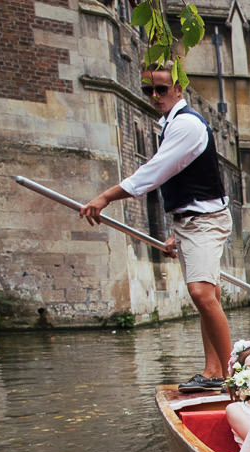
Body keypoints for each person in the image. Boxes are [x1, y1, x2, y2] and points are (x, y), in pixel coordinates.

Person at [81, 65, 232, 393]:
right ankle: (214, 371)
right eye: (149, 90)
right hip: (192, 222)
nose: (154, 96)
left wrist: (105, 197)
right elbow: (185, 182)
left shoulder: (187, 125)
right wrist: (178, 234)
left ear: (178, 88)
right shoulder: (172, 125)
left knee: (202, 294)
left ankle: (235, 379)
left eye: (161, 89)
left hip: (205, 222)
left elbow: (153, 173)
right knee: (209, 296)